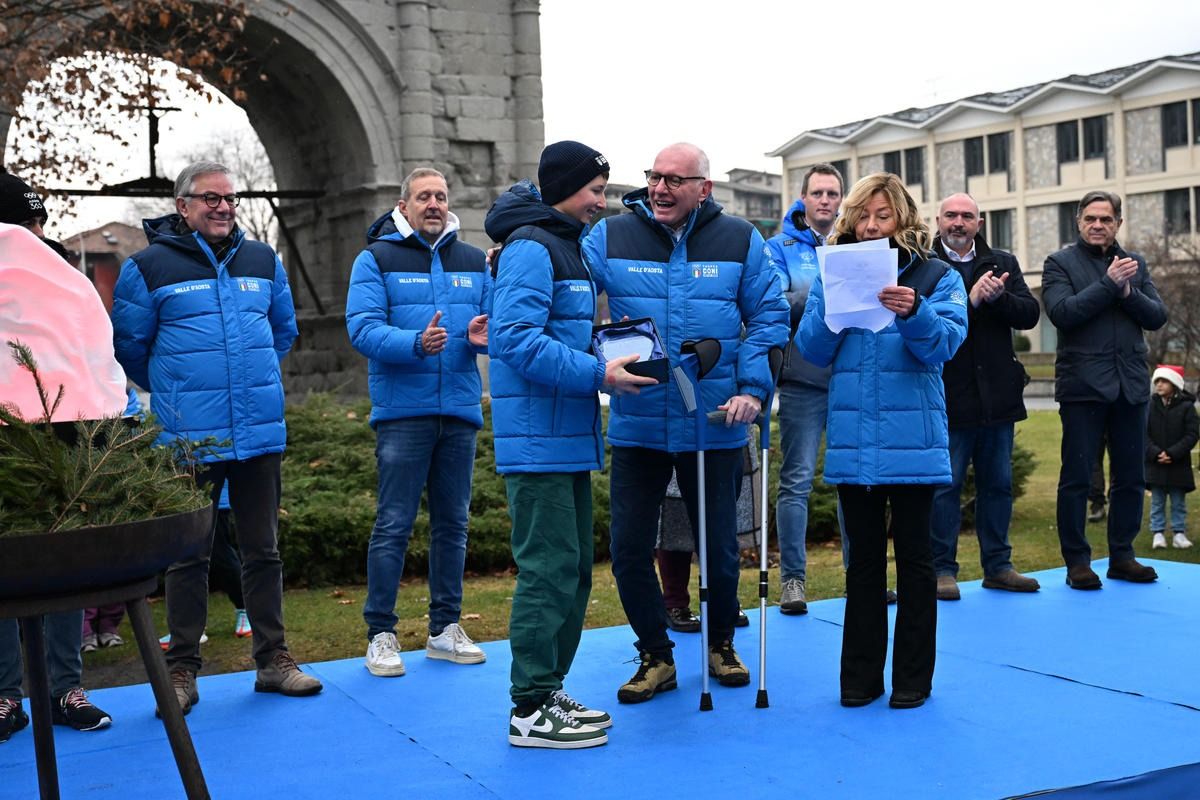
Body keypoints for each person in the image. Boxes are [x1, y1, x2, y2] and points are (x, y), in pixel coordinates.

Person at [112, 160, 321, 716]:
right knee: (187, 557)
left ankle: (273, 660)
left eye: (229, 198)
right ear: (183, 206)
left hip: (259, 435)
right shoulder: (147, 267)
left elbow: (281, 332)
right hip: (189, 441)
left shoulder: (263, 259)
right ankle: (181, 670)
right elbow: (129, 348)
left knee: (263, 552)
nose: (223, 206)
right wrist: (180, 390)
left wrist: (250, 381)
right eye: (211, 198)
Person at [582, 143, 788, 703]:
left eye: (675, 179)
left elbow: (769, 316)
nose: (660, 188)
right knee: (628, 548)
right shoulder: (610, 234)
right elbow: (571, 296)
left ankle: (721, 643)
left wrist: (752, 389)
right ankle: (656, 655)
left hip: (713, 422)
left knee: (718, 546)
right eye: (655, 176)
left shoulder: (740, 238)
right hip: (639, 421)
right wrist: (593, 356)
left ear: (704, 188)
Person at [487, 141, 654, 748]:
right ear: (564, 188)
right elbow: (515, 339)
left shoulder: (566, 246)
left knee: (574, 571)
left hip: (566, 437)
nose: (602, 202)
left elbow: (557, 333)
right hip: (538, 440)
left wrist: (612, 351)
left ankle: (548, 688)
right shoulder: (533, 248)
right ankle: (529, 709)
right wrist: (599, 372)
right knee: (548, 571)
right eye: (595, 190)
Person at [798, 172, 967, 710]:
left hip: (914, 441)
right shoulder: (833, 270)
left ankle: (913, 680)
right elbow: (811, 350)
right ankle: (860, 679)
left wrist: (915, 312)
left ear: (903, 218)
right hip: (855, 444)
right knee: (863, 566)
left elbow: (944, 346)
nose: (871, 225)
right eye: (863, 216)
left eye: (883, 215)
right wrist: (831, 313)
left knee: (917, 564)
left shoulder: (937, 274)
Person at [346, 168, 490, 678]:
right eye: (424, 196)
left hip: (459, 412)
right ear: (402, 205)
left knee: (453, 525)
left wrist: (483, 336)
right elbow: (362, 329)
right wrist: (414, 343)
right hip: (402, 414)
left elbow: (493, 325)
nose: (434, 204)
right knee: (393, 524)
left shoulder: (473, 260)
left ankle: (444, 629)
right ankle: (380, 634)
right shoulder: (376, 259)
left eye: (441, 196)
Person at [0, 171, 112, 740]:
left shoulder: (64, 275)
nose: (34, 236)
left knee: (67, 561)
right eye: (23, 225)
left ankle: (65, 688)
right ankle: (5, 694)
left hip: (64, 436)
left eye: (37, 223)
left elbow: (92, 346)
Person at [1042, 190, 1168, 589]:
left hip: (1130, 387)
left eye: (1106, 219)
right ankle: (1077, 562)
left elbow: (1157, 316)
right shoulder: (1059, 263)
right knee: (1077, 478)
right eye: (1091, 219)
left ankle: (1122, 556)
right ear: (1079, 221)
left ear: (1118, 224)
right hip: (1083, 387)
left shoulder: (1134, 264)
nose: (1098, 225)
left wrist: (1128, 292)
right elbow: (1063, 313)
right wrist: (1109, 285)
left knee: (1131, 478)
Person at [929, 194, 1041, 600]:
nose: (958, 222)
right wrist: (971, 299)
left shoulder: (1002, 262)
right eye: (951, 215)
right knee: (945, 489)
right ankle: (941, 569)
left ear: (979, 223)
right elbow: (927, 323)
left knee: (998, 486)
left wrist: (1000, 298)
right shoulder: (925, 265)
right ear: (937, 221)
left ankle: (999, 567)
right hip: (947, 396)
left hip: (997, 396)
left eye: (967, 216)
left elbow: (1030, 314)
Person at [767, 163, 844, 615]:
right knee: (796, 481)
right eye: (818, 193)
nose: (825, 200)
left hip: (852, 379)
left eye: (833, 193)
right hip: (802, 380)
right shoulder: (779, 248)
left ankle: (863, 575)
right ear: (803, 198)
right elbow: (774, 303)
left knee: (855, 480)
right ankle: (792, 581)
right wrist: (827, 291)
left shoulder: (857, 243)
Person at [1144, 365, 1197, 550]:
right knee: (1157, 501)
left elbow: (1192, 434)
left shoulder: (1187, 407)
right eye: (1157, 381)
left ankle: (1178, 533)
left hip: (1178, 464)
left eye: (1164, 381)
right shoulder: (1149, 405)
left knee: (1178, 501)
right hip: (1155, 463)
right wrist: (1155, 452)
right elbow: (1143, 433)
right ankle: (1158, 533)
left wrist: (1173, 453)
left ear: (1174, 384)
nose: (1159, 384)